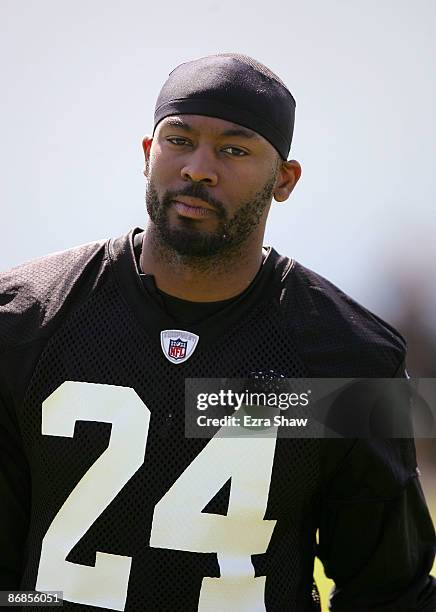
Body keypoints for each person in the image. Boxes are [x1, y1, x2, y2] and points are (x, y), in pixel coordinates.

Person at [0, 52, 434, 611]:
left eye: (234, 149)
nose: (198, 167)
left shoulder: (349, 355)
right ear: (146, 154)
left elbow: (388, 592)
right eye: (178, 140)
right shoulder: (27, 319)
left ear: (284, 179)